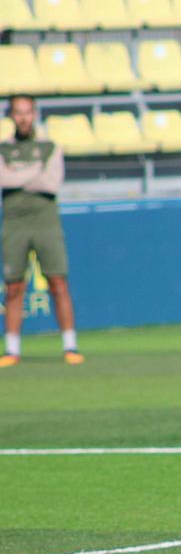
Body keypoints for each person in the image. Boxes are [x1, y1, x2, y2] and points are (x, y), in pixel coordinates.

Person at [0, 95, 82, 367]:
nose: (23, 118)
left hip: (45, 221)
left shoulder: (49, 147)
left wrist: (19, 174)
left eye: (27, 112)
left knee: (58, 282)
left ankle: (70, 345)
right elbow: (4, 178)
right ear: (11, 116)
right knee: (14, 286)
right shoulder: (4, 149)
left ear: (35, 114)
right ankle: (12, 349)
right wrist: (32, 172)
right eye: (18, 113)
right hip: (14, 222)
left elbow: (50, 183)